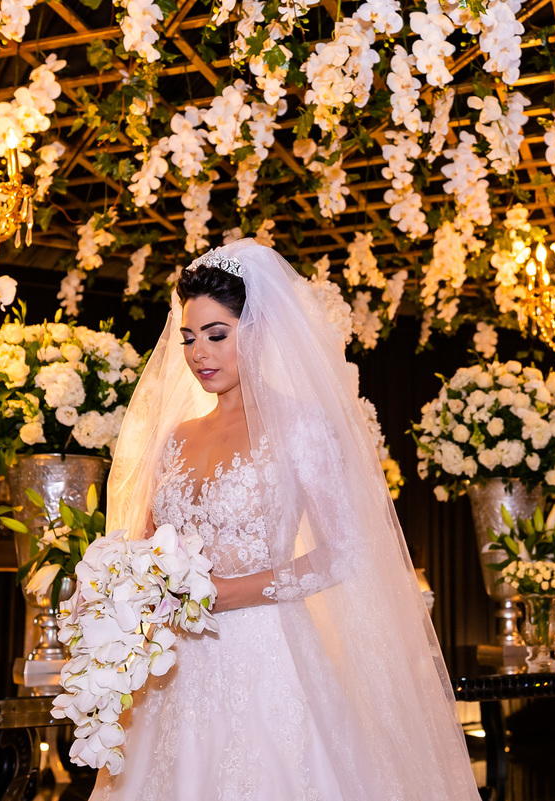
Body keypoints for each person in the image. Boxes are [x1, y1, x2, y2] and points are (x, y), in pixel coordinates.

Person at [99, 239, 478, 800]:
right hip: (172, 667)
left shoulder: (301, 426)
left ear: (259, 332)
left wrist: (233, 592)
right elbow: (148, 546)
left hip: (268, 658)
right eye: (189, 337)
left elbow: (346, 549)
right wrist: (116, 592)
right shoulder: (174, 439)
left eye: (216, 334)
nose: (199, 353)